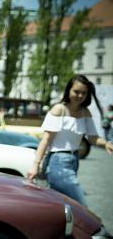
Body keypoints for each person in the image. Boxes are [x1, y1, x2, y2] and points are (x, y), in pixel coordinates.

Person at [27, 75, 113, 206]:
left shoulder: (85, 112)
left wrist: (106, 144)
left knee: (61, 207)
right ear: (68, 90)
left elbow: (93, 138)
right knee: (81, 207)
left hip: (73, 161)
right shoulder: (59, 109)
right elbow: (46, 139)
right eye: (76, 91)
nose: (80, 96)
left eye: (83, 93)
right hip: (57, 162)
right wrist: (36, 164)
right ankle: (96, 227)